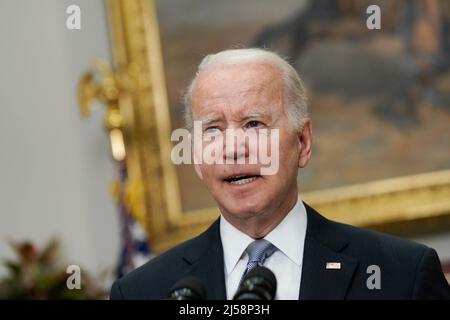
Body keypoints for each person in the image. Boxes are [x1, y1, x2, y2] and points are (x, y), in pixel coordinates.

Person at [110, 48, 450, 299]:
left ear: (302, 143)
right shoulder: (142, 292)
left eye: (254, 124)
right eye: (212, 129)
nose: (233, 148)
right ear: (197, 157)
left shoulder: (402, 275)